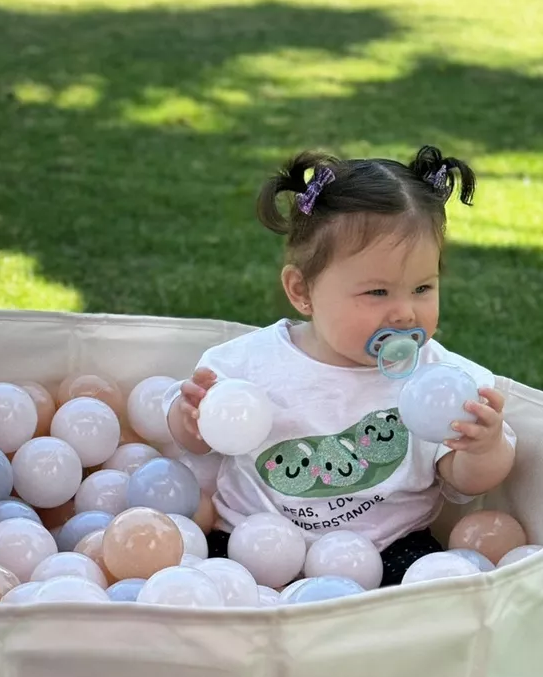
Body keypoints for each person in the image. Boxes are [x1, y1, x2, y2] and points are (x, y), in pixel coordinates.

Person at [166, 145, 517, 585]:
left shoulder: (443, 384)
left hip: (390, 547)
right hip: (250, 542)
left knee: (431, 598)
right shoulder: (245, 364)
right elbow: (196, 442)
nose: (406, 313)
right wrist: (190, 419)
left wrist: (483, 449)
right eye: (377, 293)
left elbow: (466, 482)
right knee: (204, 588)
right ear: (302, 291)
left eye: (423, 288)